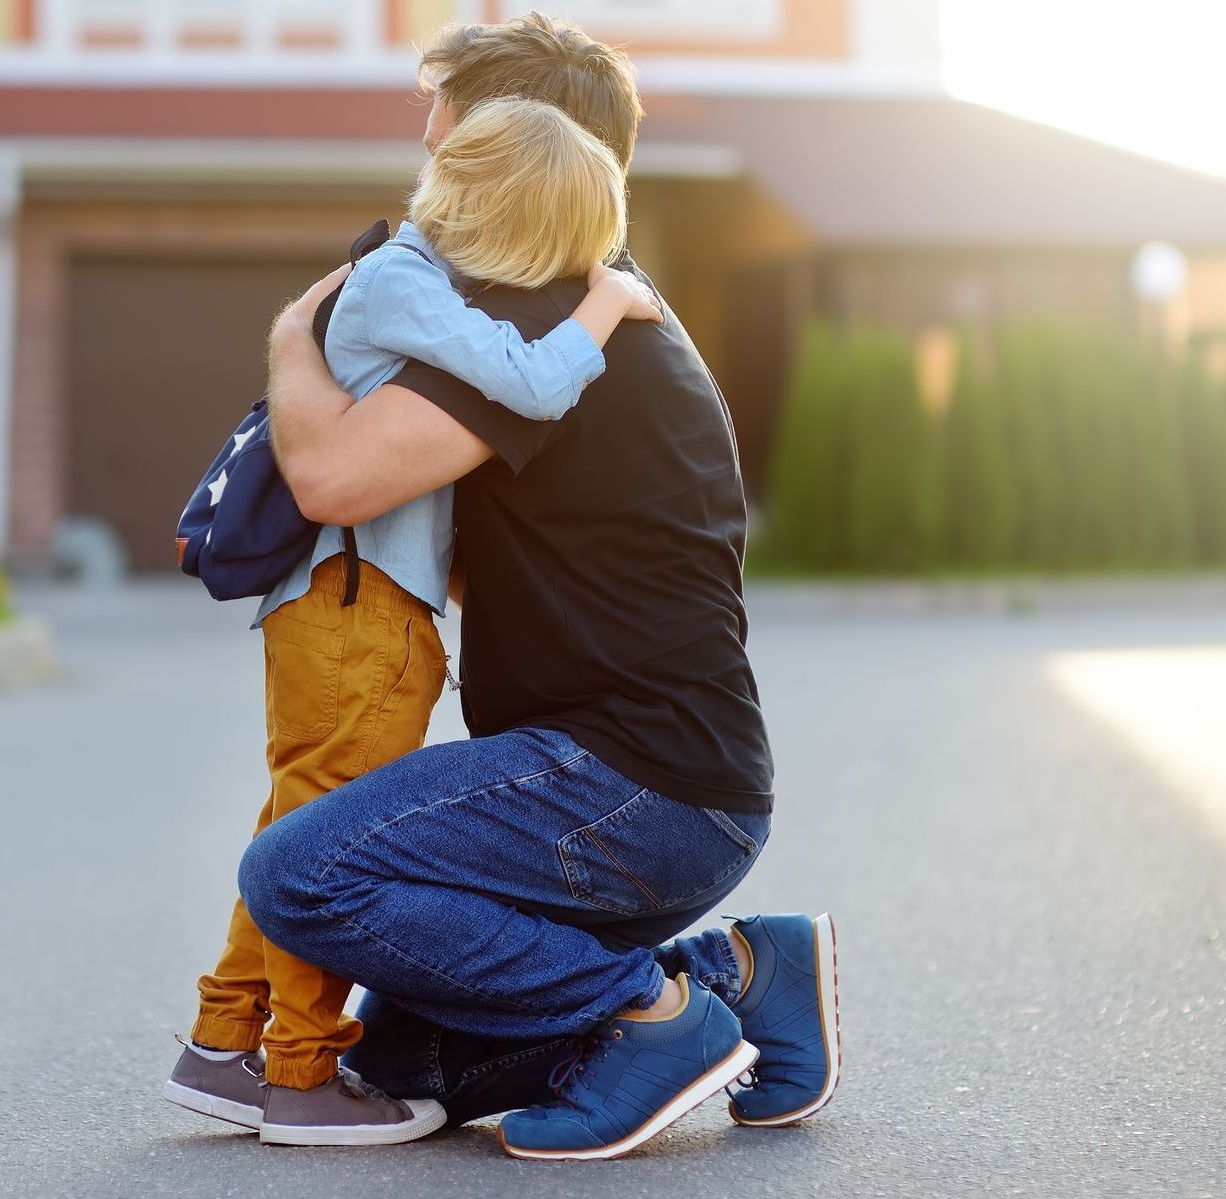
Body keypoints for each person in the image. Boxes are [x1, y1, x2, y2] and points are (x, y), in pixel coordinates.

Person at [230, 14, 842, 1161]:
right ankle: (747, 971)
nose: (426, 140)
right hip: (667, 789)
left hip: (626, 785)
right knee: (409, 1062)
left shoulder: (537, 315)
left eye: (443, 115)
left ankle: (652, 1015)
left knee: (299, 875)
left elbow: (330, 474)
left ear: (513, 138)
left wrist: (294, 330)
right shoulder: (589, 303)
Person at [166, 95, 665, 1147]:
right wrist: (607, 305)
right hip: (358, 610)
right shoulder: (403, 278)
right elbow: (532, 380)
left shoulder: (404, 280)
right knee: (323, 846)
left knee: (296, 822)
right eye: (561, 235)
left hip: (357, 608)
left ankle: (224, 1041)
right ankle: (298, 1069)